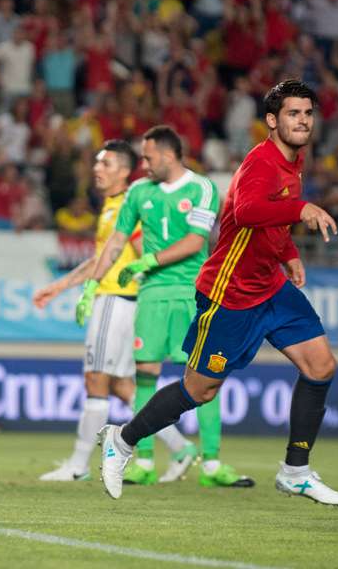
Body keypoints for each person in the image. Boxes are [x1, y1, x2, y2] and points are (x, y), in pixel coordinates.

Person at [97, 80, 338, 505]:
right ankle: (121, 441)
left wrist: (287, 252)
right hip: (230, 294)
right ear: (272, 121)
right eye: (293, 113)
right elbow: (247, 211)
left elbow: (269, 218)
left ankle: (295, 471)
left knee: (321, 365)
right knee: (199, 390)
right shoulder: (262, 162)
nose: (302, 120)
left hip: (270, 286)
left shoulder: (294, 160)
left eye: (307, 113)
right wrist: (300, 210)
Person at [80, 126, 253, 488]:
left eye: (148, 157)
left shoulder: (201, 187)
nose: (143, 164)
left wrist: (148, 260)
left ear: (169, 155)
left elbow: (195, 241)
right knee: (144, 374)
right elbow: (116, 242)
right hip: (152, 297)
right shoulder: (139, 192)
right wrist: (94, 282)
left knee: (203, 377)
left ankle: (212, 465)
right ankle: (143, 461)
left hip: (193, 293)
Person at [35, 140, 195, 482]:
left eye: (105, 164)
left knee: (95, 379)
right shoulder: (111, 207)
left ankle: (78, 465)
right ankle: (180, 447)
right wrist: (62, 286)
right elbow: (101, 258)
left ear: (124, 171)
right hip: (118, 300)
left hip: (118, 300)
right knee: (122, 386)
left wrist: (147, 289)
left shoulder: (127, 204)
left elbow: (142, 251)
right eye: (97, 163)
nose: (97, 169)